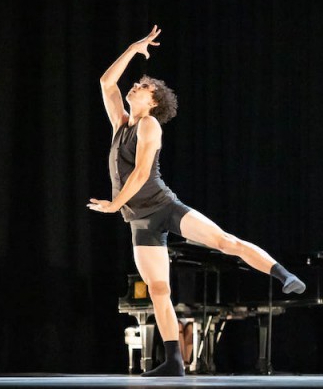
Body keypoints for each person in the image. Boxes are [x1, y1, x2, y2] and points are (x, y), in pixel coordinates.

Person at [87, 25, 306, 377]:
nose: (135, 86)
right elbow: (106, 83)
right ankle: (175, 361)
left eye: (143, 86)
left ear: (153, 101)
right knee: (159, 289)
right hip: (140, 220)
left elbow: (141, 174)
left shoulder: (148, 126)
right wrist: (133, 47)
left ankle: (283, 274)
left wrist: (114, 205)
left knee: (224, 242)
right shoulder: (122, 123)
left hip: (165, 208)